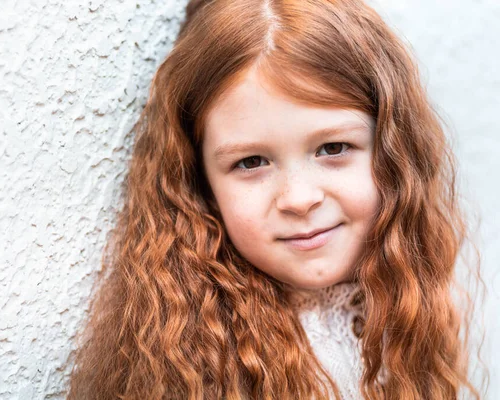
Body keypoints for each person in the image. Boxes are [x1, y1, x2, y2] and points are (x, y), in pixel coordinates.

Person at [67, 0, 484, 398]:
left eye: (333, 148)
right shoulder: (189, 356)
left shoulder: (408, 307)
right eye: (251, 161)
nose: (299, 199)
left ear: (394, 154)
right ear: (199, 185)